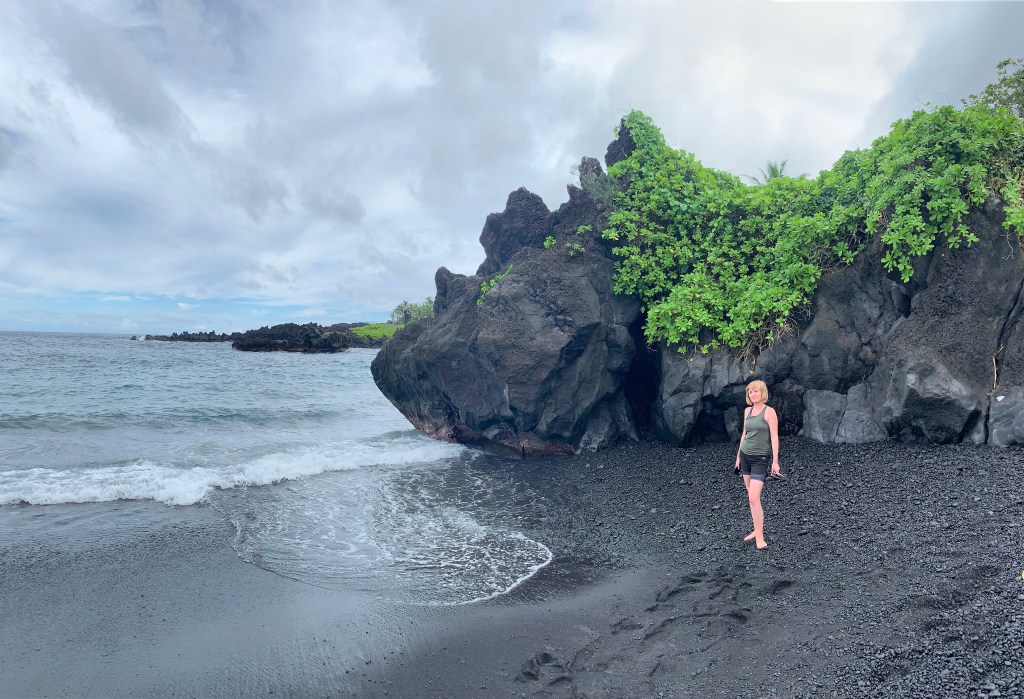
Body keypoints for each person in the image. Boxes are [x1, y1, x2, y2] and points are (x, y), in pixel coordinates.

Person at [733, 379, 780, 549]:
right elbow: (744, 434)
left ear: (762, 393)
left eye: (756, 391)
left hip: (760, 458)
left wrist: (775, 461)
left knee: (754, 497)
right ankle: (756, 529)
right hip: (745, 455)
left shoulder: (769, 412)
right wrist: (738, 456)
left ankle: (760, 537)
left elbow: (774, 437)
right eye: (750, 391)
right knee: (752, 497)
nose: (753, 394)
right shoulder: (747, 411)